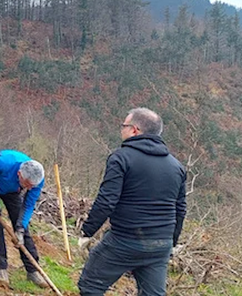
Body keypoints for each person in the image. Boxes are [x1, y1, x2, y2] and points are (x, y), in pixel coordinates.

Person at [77, 108, 186, 296]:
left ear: (135, 130)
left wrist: (87, 232)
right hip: (161, 245)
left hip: (125, 240)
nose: (122, 130)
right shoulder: (176, 166)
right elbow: (180, 209)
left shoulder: (121, 158)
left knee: (90, 286)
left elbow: (107, 200)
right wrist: (172, 242)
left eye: (124, 126)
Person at [0, 150, 48, 288]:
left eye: (32, 186)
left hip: (12, 191)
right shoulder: (3, 163)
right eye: (27, 184)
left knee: (23, 230)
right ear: (19, 174)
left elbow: (28, 205)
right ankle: (0, 267)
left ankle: (32, 270)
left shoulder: (37, 180)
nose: (30, 188)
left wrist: (20, 227)